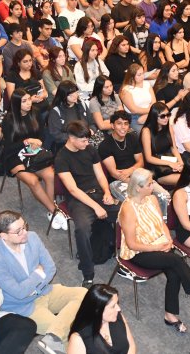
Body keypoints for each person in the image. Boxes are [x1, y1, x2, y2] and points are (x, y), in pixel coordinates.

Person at [0, 211, 87, 353]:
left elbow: (50, 268)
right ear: (4, 235)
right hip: (23, 306)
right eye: (18, 231)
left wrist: (33, 287)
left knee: (84, 294)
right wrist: (38, 273)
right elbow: (19, 293)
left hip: (44, 290)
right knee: (64, 331)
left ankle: (54, 336)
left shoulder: (32, 237)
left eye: (24, 226)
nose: (24, 232)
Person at [118, 168, 190, 333]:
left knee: (174, 272)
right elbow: (132, 244)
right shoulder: (128, 209)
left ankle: (169, 315)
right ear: (138, 188)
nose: (153, 186)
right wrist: (157, 247)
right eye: (149, 184)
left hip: (158, 242)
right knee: (177, 261)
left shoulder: (152, 199)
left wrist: (168, 239)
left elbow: (161, 223)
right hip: (139, 252)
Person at [55, 120, 119, 288]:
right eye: (83, 140)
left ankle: (126, 254)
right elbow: (73, 189)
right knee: (82, 229)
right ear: (71, 138)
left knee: (127, 212)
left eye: (87, 140)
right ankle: (87, 273)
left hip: (98, 193)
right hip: (79, 200)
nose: (87, 143)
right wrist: (96, 207)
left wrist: (106, 192)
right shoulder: (61, 158)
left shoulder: (89, 149)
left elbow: (100, 175)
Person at [1, 88, 63, 228]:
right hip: (14, 155)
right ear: (16, 104)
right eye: (24, 101)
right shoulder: (9, 120)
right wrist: (26, 142)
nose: (29, 103)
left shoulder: (35, 112)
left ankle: (51, 208)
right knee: (33, 181)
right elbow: (8, 147)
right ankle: (54, 211)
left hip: (33, 152)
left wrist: (38, 142)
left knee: (50, 175)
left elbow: (41, 135)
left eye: (29, 99)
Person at [67, 284, 136, 354]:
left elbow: (131, 345)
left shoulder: (117, 316)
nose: (118, 309)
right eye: (113, 306)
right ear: (98, 310)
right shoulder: (78, 339)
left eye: (117, 303)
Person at [140, 102, 183, 187]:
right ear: (154, 117)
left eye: (168, 115)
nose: (166, 118)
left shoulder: (168, 127)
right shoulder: (146, 131)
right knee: (185, 180)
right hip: (156, 167)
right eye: (163, 116)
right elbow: (148, 158)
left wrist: (181, 162)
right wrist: (169, 163)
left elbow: (174, 148)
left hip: (170, 160)